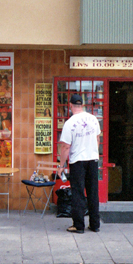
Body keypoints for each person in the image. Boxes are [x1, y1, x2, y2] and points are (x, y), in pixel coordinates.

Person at [57, 93, 101, 234]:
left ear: (70, 105)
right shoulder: (93, 119)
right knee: (93, 192)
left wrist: (61, 165)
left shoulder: (70, 123)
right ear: (82, 105)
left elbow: (65, 147)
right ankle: (95, 224)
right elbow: (97, 139)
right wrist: (93, 152)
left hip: (77, 161)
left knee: (78, 193)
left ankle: (79, 225)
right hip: (93, 159)